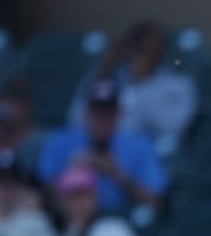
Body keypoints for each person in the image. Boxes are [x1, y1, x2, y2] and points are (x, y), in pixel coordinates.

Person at [38, 78, 168, 212]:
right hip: (65, 221)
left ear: (119, 114)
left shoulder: (140, 147)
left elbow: (155, 201)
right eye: (97, 112)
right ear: (87, 112)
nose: (102, 119)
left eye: (108, 112)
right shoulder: (61, 142)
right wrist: (69, 173)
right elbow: (41, 196)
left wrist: (116, 173)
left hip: (120, 223)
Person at [71, 19, 198, 149]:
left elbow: (175, 125)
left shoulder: (178, 84)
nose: (139, 54)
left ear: (161, 50)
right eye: (135, 47)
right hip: (102, 151)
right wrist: (106, 67)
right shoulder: (109, 80)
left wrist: (141, 85)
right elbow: (77, 118)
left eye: (145, 48)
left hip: (151, 154)